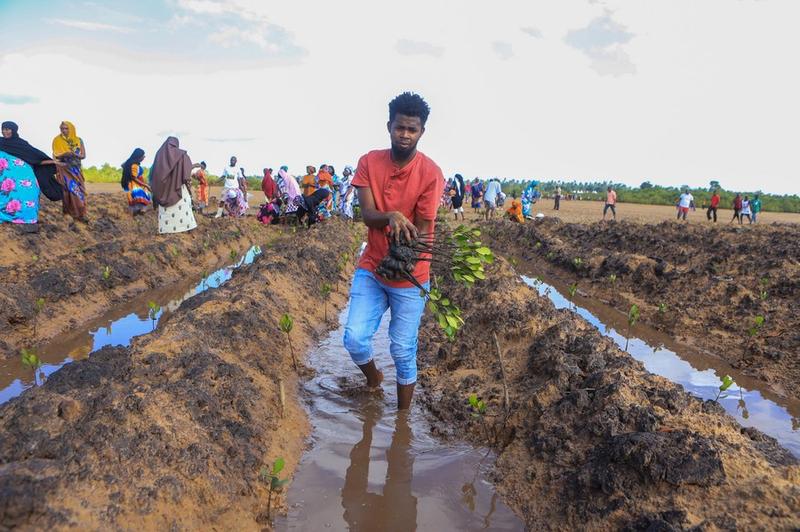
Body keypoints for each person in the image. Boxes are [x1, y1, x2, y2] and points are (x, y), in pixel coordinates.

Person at [343, 91, 444, 410]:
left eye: (412, 129)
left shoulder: (431, 173)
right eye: (400, 127)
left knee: (402, 350)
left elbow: (425, 229)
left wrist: (406, 260)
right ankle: (373, 380)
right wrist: (392, 216)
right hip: (372, 268)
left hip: (410, 275)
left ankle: (402, 422)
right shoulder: (369, 162)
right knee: (354, 338)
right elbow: (368, 216)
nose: (405, 135)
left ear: (422, 132)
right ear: (389, 126)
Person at [0, 121, 63, 228]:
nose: (5, 131)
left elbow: (35, 156)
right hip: (5, 177)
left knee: (28, 193)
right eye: (3, 129)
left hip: (23, 176)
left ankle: (23, 218)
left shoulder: (21, 144)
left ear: (14, 130)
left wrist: (53, 162)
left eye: (8, 129)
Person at [149, 137, 197, 234]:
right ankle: (185, 231)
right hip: (179, 190)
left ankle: (167, 231)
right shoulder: (182, 155)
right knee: (183, 212)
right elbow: (186, 175)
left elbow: (154, 175)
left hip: (163, 191)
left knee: (167, 214)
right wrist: (190, 192)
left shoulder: (159, 156)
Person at [52, 121, 88, 222]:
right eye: (62, 128)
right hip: (64, 169)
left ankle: (81, 213)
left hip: (76, 169)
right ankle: (68, 213)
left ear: (71, 129)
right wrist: (64, 154)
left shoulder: (78, 140)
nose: (64, 130)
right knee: (67, 191)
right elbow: (55, 156)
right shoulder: (56, 140)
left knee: (79, 191)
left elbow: (83, 155)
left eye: (66, 128)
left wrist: (74, 154)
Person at [120, 148, 151, 216]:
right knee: (142, 192)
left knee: (144, 191)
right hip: (133, 184)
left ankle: (138, 210)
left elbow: (122, 165)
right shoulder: (134, 165)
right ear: (138, 157)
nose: (144, 157)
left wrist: (127, 165)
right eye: (143, 156)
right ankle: (140, 209)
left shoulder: (131, 163)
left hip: (132, 183)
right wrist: (145, 185)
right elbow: (134, 178)